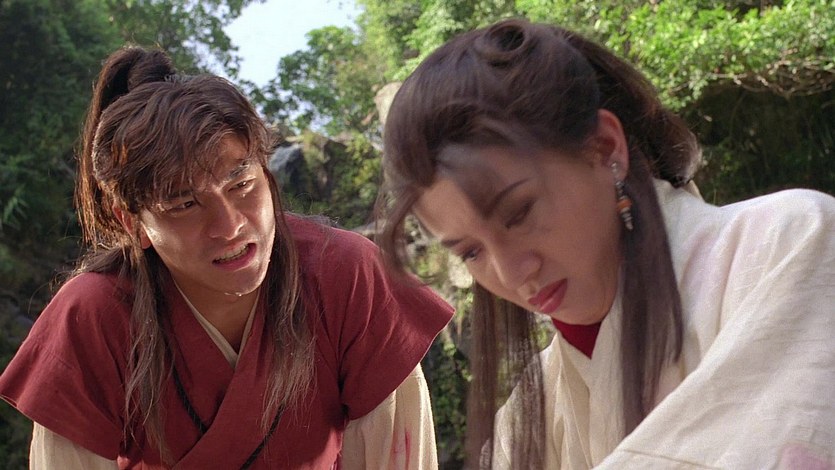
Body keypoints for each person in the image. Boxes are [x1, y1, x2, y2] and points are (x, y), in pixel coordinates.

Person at [375, 18, 835, 469]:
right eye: (471, 252)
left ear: (605, 148)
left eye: (519, 214)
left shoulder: (793, 243)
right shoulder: (530, 416)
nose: (512, 273)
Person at [0, 46, 453, 469]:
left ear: (266, 174)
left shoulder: (347, 274)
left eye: (241, 184)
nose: (230, 225)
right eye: (184, 204)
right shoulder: (93, 316)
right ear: (132, 222)